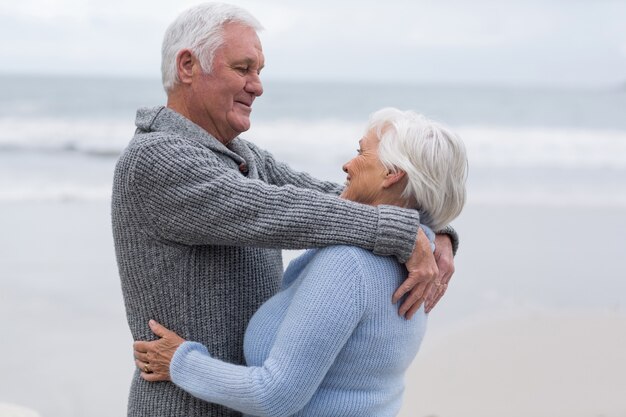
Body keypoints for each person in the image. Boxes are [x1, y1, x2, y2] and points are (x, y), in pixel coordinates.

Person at [111, 3, 458, 416]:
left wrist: (436, 230)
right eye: (243, 69)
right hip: (184, 406)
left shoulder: (241, 156)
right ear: (187, 66)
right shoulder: (155, 160)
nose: (257, 86)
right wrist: (405, 232)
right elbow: (274, 209)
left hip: (243, 399)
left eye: (259, 71)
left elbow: (338, 198)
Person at [133, 108, 468, 416]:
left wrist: (180, 361)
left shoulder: (349, 264)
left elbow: (273, 394)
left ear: (392, 173)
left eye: (361, 152)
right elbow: (307, 199)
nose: (347, 166)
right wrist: (435, 229)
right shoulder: (417, 259)